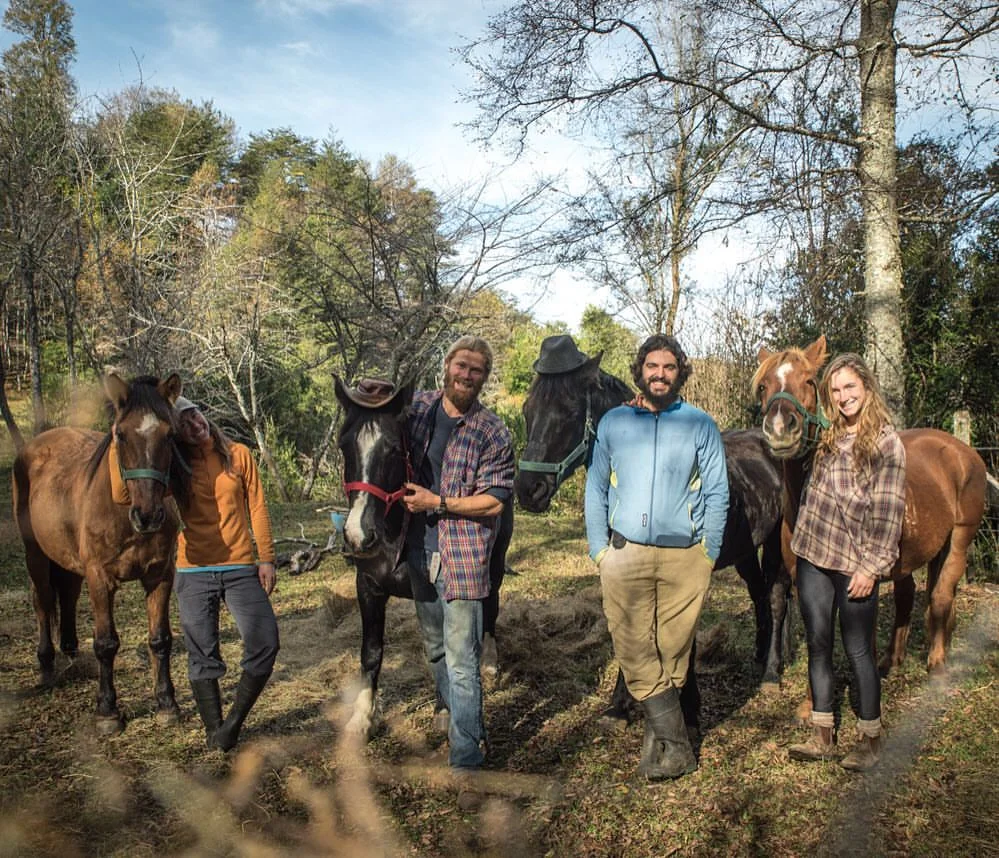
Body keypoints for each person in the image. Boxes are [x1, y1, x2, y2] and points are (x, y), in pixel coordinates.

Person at [584, 334, 729, 781]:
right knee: (632, 648)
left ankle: (659, 744)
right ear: (640, 371)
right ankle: (679, 744)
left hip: (685, 557)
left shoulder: (700, 424)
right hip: (624, 553)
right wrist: (598, 550)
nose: (659, 374)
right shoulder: (613, 422)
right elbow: (595, 487)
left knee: (674, 652)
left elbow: (718, 490)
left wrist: (708, 553)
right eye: (652, 366)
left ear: (679, 372)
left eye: (668, 367)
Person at [787, 353, 906, 771]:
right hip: (813, 555)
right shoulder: (827, 436)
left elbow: (889, 512)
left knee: (858, 650)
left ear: (867, 388)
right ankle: (822, 736)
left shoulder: (886, 443)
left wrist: (871, 567)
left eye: (850, 388)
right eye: (835, 391)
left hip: (856, 563)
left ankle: (870, 740)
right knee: (818, 645)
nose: (842, 397)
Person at [401, 336, 515, 771]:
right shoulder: (418, 410)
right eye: (461, 366)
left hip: (463, 560)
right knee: (434, 650)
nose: (466, 376)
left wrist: (438, 503)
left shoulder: (492, 431)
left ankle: (466, 759)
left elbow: (493, 502)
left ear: (484, 379)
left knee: (463, 661)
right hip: (416, 553)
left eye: (476, 371)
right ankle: (462, 727)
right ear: (446, 365)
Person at [164, 397, 279, 751]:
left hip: (240, 566)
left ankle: (232, 725)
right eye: (183, 424)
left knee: (265, 644)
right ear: (177, 436)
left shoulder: (239, 454)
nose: (194, 425)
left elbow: (257, 507)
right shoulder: (174, 467)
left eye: (194, 415)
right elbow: (124, 495)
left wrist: (267, 558)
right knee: (202, 656)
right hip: (194, 570)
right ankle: (215, 734)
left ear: (203, 414)